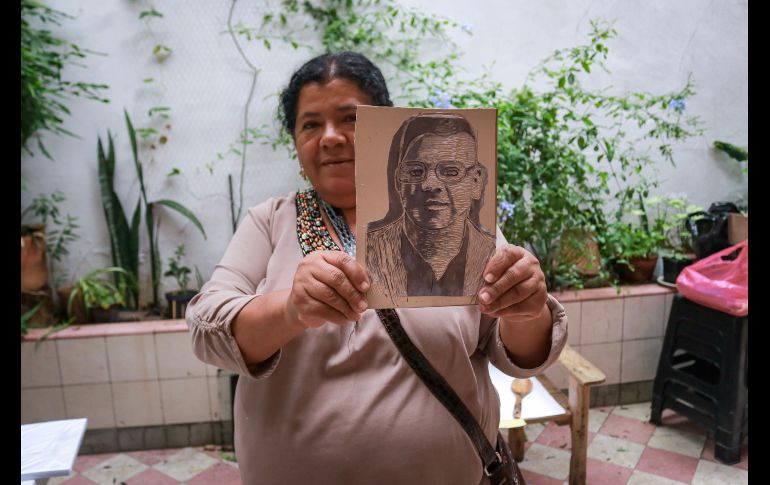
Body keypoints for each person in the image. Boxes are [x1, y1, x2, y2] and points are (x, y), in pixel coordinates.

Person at [186, 51, 568, 485]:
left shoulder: (456, 224)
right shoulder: (270, 223)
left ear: (383, 129)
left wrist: (527, 309)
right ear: (295, 141)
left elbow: (518, 352)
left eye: (349, 118)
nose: (329, 137)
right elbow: (206, 330)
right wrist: (290, 310)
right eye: (310, 124)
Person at [366, 112, 497, 299]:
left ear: (476, 182)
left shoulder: (494, 255)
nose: (430, 184)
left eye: (451, 172)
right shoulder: (367, 251)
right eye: (416, 171)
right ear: (398, 182)